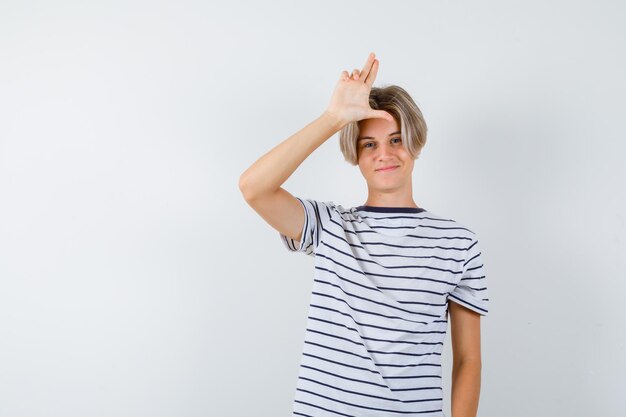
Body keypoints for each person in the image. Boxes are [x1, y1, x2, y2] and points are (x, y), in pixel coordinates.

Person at [239, 52, 489, 417]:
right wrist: (334, 118)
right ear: (355, 154)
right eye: (369, 144)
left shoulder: (458, 243)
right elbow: (253, 188)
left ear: (416, 144)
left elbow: (468, 359)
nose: (384, 153)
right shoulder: (330, 227)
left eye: (396, 140)